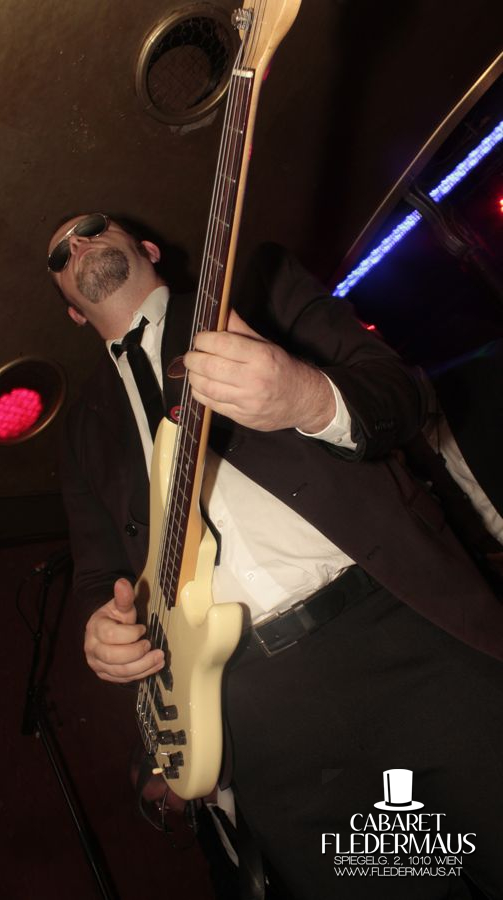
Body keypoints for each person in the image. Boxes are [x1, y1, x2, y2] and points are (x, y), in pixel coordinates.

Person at [49, 213, 503, 900]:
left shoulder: (252, 287)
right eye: (60, 254)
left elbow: (401, 392)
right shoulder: (82, 428)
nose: (78, 245)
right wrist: (100, 632)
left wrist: (307, 396)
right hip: (257, 719)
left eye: (90, 227)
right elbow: (95, 575)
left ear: (147, 247)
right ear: (72, 312)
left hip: (399, 635)